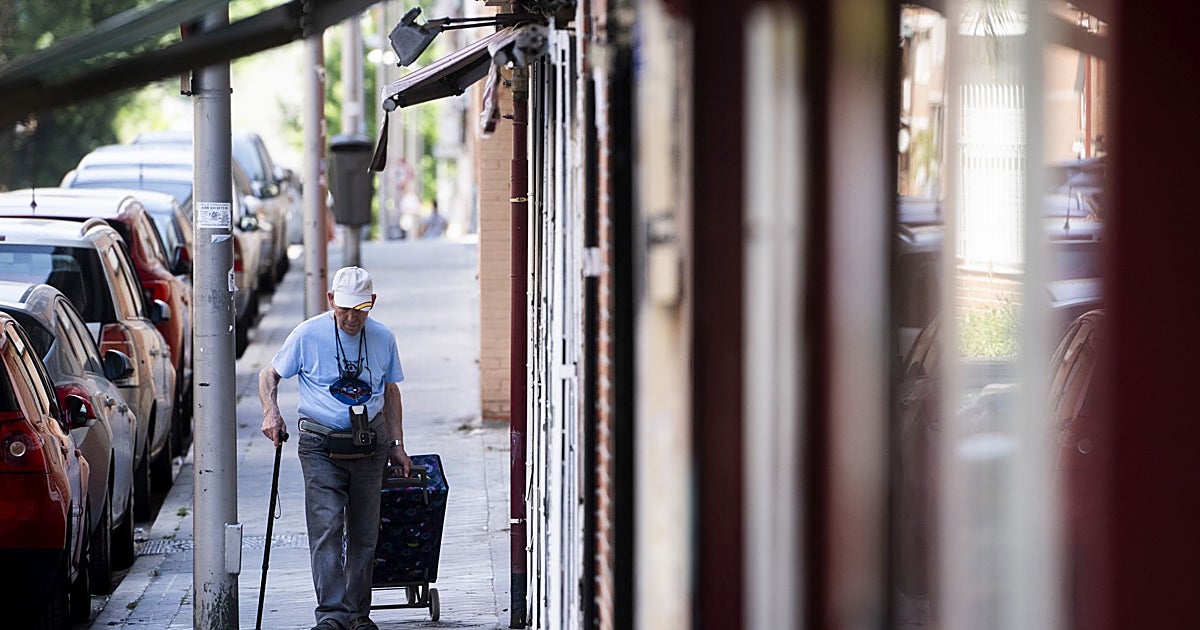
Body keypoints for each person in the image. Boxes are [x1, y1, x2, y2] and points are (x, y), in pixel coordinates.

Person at [258, 266, 412, 630]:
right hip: (320, 445)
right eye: (344, 309)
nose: (351, 318)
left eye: (360, 309)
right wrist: (271, 412)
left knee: (364, 532)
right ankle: (331, 615)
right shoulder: (307, 334)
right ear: (331, 300)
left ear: (372, 303)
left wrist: (397, 444)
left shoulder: (383, 337)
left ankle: (358, 615)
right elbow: (269, 375)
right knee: (326, 527)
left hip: (369, 444)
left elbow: (390, 391)